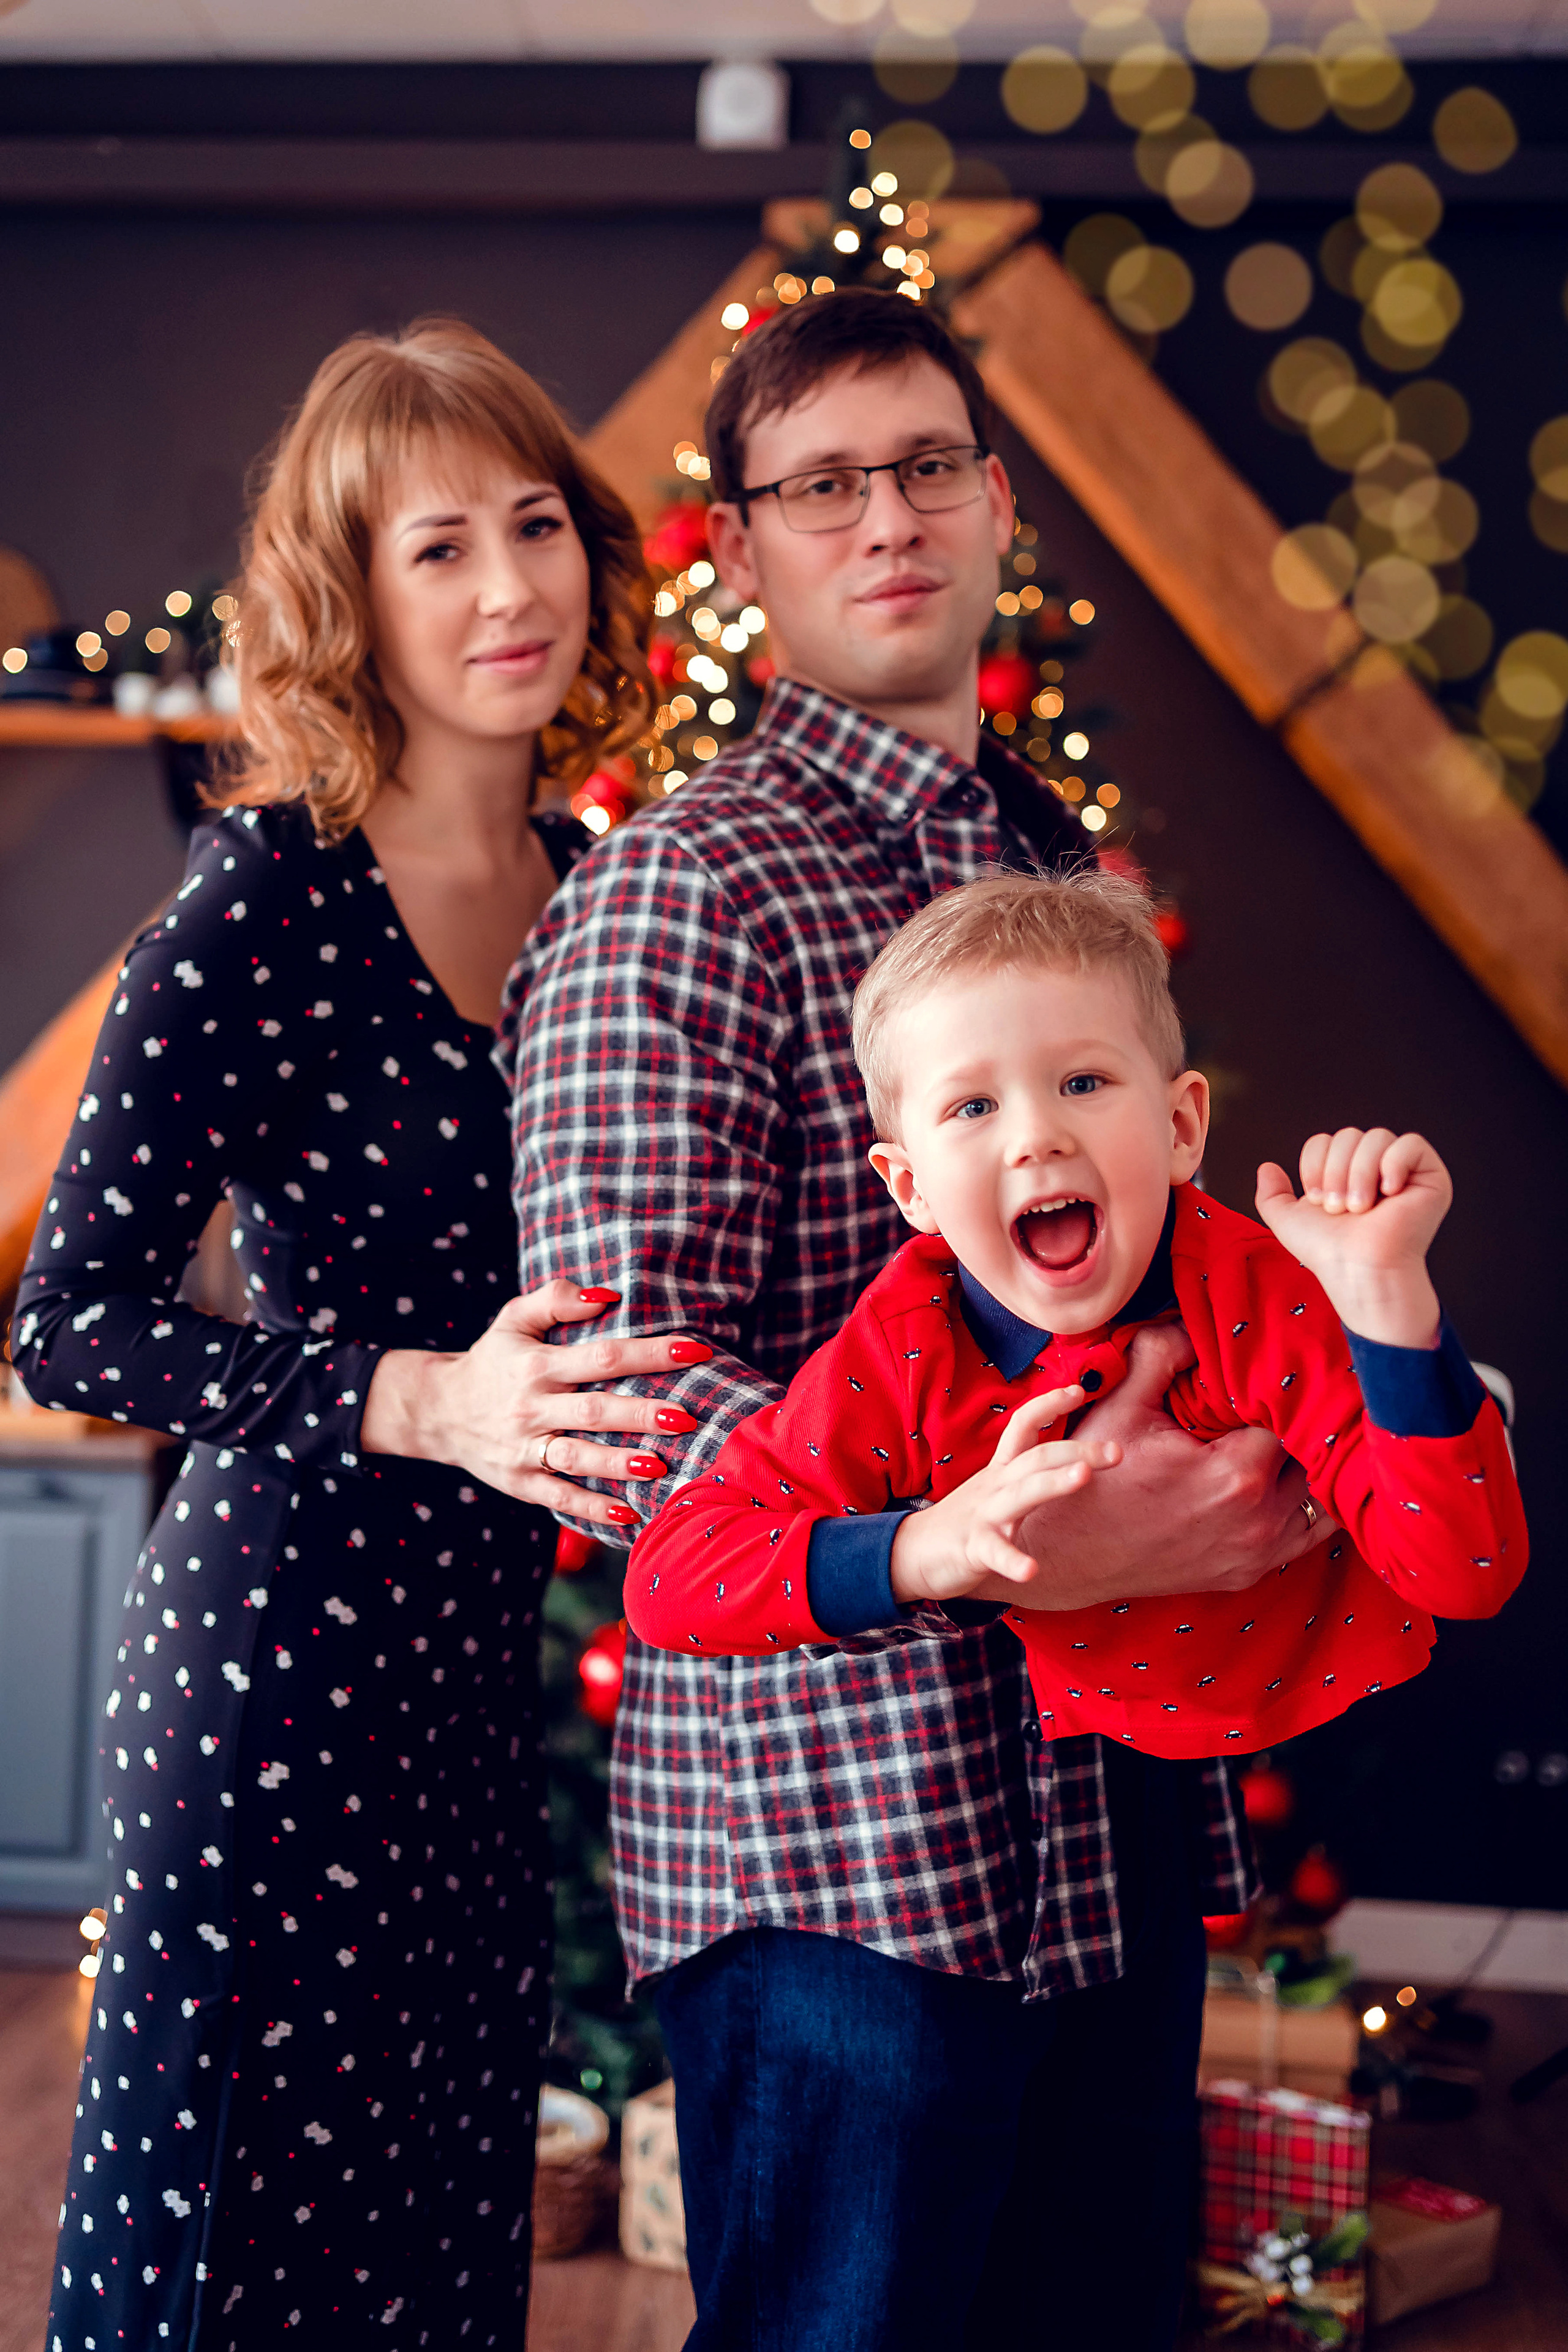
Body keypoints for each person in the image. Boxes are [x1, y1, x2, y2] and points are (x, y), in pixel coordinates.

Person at [501, 290, 1327, 2352]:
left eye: (928, 466)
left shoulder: (1054, 869)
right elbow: (626, 1405)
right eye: (824, 484)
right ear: (749, 545)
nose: (889, 519)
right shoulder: (680, 887)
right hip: (843, 1835)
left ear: (997, 503)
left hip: (1109, 1789)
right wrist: (973, 1542)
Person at [11, 319, 712, 2352]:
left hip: (478, 1684)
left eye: (534, 528)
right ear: (349, 594)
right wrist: (423, 1398)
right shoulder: (260, 911)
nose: (507, 589)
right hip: (275, 1671)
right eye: (436, 549)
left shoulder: (595, 899)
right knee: (235, 2252)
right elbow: (71, 1320)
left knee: (430, 2247)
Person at [625, 869, 1526, 1755]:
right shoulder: (905, 1342)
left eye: (1083, 1083)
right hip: (1072, 1743)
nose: (1036, 1137)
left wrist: (1387, 1301)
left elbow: (1468, 1577)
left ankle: (1437, 1392)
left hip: (1313, 1684)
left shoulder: (1259, 1289)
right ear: (911, 1188)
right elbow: (668, 1578)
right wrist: (930, 1547)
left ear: (1179, 1130)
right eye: (974, 1105)